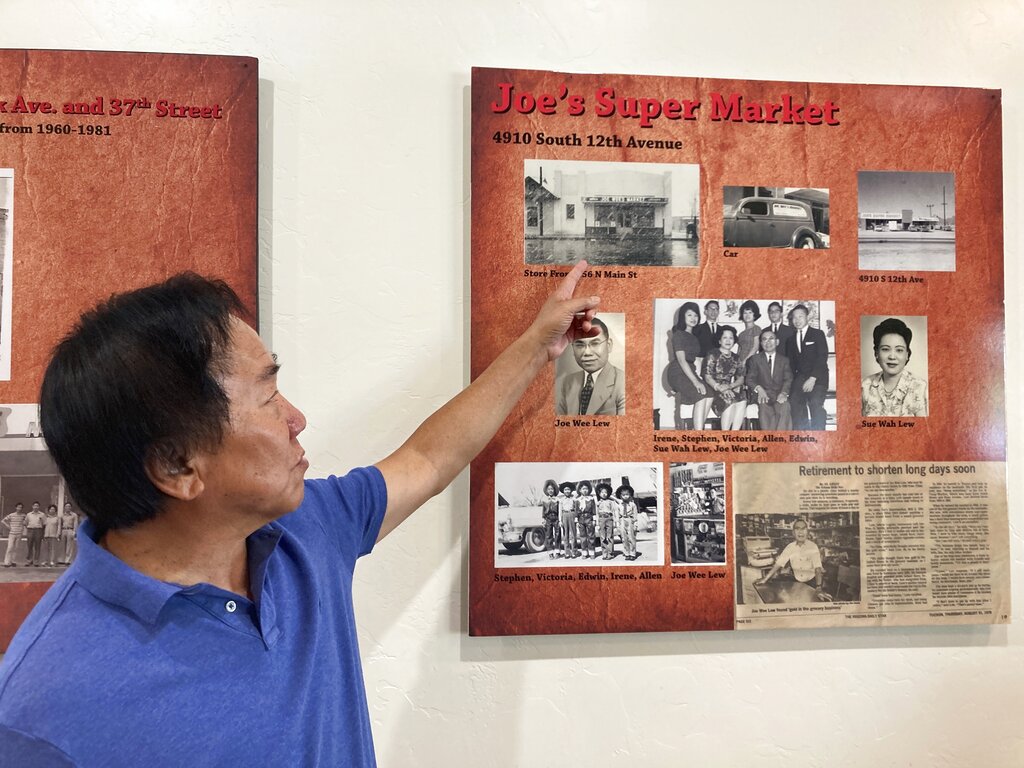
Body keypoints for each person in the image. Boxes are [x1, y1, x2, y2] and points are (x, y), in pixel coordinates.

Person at [0, 263, 601, 765]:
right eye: (267, 396)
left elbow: (427, 457)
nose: (297, 418)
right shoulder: (44, 708)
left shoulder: (303, 530)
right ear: (178, 466)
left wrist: (535, 347)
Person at [555, 316, 625, 416]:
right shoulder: (567, 382)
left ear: (609, 345)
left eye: (595, 343)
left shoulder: (623, 383)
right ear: (573, 348)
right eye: (579, 345)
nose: (587, 352)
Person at [861, 317, 928, 417]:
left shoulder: (921, 387)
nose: (892, 356)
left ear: (907, 355)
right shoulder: (864, 386)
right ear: (876, 353)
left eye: (899, 350)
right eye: (885, 349)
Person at [666, 301, 710, 430]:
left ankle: (697, 428)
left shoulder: (694, 337)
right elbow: (682, 360)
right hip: (678, 371)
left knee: (710, 393)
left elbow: (695, 360)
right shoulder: (678, 334)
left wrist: (701, 378)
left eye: (695, 315)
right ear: (683, 317)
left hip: (689, 370)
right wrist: (696, 382)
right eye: (689, 315)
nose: (693, 318)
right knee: (701, 395)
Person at [784, 304, 829, 430]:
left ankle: (819, 436)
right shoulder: (790, 340)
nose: (797, 320)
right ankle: (801, 436)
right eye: (794, 317)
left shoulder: (818, 334)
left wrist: (812, 378)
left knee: (815, 403)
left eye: (800, 316)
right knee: (794, 402)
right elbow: (791, 365)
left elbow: (822, 358)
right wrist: (790, 385)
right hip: (800, 378)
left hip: (818, 378)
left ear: (807, 317)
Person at [755, 519, 824, 597]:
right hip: (796, 582)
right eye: (797, 529)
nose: (800, 532)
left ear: (807, 532)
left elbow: (817, 568)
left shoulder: (813, 547)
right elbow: (778, 564)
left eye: (803, 528)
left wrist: (819, 587)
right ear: (793, 533)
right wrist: (765, 579)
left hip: (812, 583)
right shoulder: (790, 547)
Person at [744, 328, 793, 430]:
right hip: (762, 395)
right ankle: (769, 440)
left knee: (785, 407)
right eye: (764, 339)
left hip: (779, 394)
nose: (768, 342)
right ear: (761, 343)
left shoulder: (784, 360)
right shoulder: (755, 359)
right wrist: (759, 389)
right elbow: (749, 379)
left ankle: (781, 441)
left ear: (777, 342)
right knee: (764, 408)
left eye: (771, 339)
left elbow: (788, 379)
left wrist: (784, 393)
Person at [703, 326, 747, 430]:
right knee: (729, 400)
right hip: (712, 389)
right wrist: (719, 387)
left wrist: (730, 386)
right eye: (725, 338)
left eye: (731, 338)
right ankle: (725, 435)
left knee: (743, 400)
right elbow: (707, 376)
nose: (728, 340)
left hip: (728, 388)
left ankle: (734, 435)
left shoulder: (736, 358)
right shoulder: (712, 354)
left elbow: (741, 378)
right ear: (719, 340)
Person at [735, 299, 762, 367]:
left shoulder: (756, 329)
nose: (747, 315)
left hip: (751, 362)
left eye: (750, 312)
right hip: (740, 363)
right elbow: (739, 350)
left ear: (755, 314)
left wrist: (745, 361)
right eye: (745, 313)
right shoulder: (741, 334)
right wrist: (737, 361)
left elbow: (755, 347)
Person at [616, 484, 639, 561]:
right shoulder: (619, 505)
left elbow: (635, 514)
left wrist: (635, 523)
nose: (625, 496)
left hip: (630, 520)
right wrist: (618, 524)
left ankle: (633, 553)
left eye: (627, 494)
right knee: (624, 538)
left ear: (630, 495)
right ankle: (627, 553)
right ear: (621, 495)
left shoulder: (633, 505)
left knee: (631, 537)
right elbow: (618, 515)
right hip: (622, 520)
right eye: (623, 495)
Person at [595, 482, 617, 560]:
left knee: (610, 536)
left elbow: (614, 511)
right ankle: (604, 553)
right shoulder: (598, 503)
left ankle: (610, 553)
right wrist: (597, 523)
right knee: (602, 536)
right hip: (601, 519)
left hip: (609, 518)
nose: (604, 494)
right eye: (602, 492)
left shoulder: (611, 502)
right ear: (599, 493)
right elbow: (597, 513)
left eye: (605, 492)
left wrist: (615, 521)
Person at [540, 479, 561, 560]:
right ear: (546, 490)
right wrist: (543, 519)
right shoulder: (545, 500)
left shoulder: (557, 500)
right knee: (549, 536)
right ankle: (550, 553)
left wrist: (559, 520)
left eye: (552, 489)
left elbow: (559, 510)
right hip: (548, 519)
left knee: (557, 535)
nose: (550, 491)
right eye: (549, 489)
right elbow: (543, 511)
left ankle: (557, 552)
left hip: (556, 518)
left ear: (554, 490)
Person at [575, 480, 596, 559]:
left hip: (589, 518)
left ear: (589, 490)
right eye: (583, 489)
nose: (585, 490)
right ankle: (584, 552)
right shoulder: (577, 500)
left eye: (586, 488)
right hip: (581, 519)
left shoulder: (591, 499)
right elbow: (576, 511)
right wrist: (576, 521)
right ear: (580, 490)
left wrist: (594, 520)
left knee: (591, 536)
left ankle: (592, 552)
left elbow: (594, 510)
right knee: (582, 536)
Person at [557, 481, 578, 558]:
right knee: (566, 535)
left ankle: (574, 551)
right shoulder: (561, 500)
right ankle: (567, 552)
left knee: (573, 534)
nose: (567, 491)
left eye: (568, 489)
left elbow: (576, 509)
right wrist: (560, 520)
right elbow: (560, 510)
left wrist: (576, 518)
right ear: (563, 491)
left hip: (572, 514)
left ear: (571, 490)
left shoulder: (574, 499)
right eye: (565, 490)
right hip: (564, 515)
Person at [1, 503, 26, 567]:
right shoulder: (11, 515)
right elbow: (3, 521)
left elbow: (26, 522)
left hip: (19, 533)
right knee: (10, 547)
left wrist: (23, 527)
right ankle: (6, 562)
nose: (19, 508)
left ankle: (13, 561)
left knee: (16, 548)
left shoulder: (23, 515)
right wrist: (8, 526)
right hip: (12, 533)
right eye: (18, 507)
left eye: (21, 507)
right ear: (16, 507)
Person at [23, 502, 46, 567]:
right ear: (32, 506)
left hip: (38, 530)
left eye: (37, 506)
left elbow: (44, 524)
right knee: (29, 546)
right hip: (30, 530)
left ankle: (36, 561)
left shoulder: (42, 514)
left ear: (39, 507)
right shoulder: (29, 514)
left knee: (37, 546)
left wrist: (42, 532)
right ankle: (29, 560)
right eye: (34, 506)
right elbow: (25, 523)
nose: (36, 507)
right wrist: (29, 528)